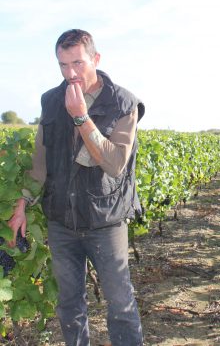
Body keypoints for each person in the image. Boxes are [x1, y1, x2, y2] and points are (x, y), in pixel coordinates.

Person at [8, 29, 145, 346]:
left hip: (105, 221)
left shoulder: (124, 103)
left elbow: (114, 163)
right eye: (62, 64)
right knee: (69, 305)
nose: (70, 73)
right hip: (61, 222)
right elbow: (39, 164)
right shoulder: (51, 101)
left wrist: (81, 117)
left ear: (95, 59)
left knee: (121, 304)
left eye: (78, 63)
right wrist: (21, 204)